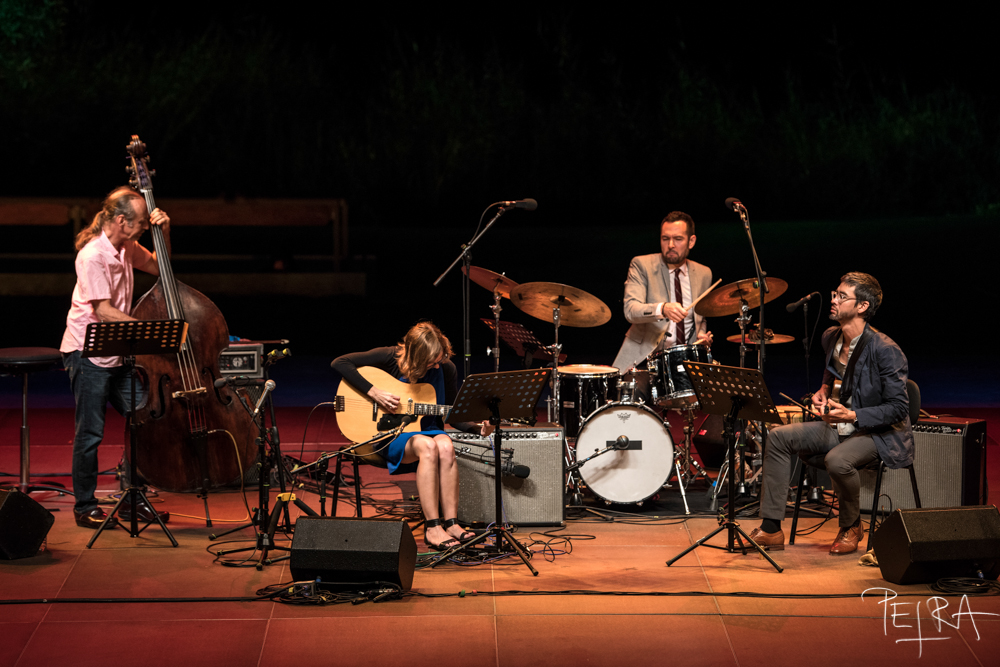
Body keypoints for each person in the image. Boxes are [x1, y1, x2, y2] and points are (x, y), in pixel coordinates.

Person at [749, 272, 914, 555]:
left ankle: (851, 525)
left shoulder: (886, 350)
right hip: (842, 427)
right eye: (834, 294)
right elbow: (834, 369)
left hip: (879, 433)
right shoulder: (831, 337)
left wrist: (852, 416)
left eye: (841, 296)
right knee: (777, 437)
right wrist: (824, 388)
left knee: (836, 460)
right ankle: (772, 529)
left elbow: (899, 408)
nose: (833, 300)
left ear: (862, 306)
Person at [60, 186, 172, 528]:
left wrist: (164, 233)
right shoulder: (92, 255)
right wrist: (149, 332)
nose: (144, 228)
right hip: (87, 350)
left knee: (141, 418)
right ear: (121, 220)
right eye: (141, 223)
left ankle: (130, 499)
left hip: (118, 349)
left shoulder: (126, 247)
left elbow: (159, 267)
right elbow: (104, 311)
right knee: (90, 431)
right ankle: (84, 506)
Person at [332, 322, 492, 551]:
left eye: (440, 358)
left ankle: (452, 524)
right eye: (432, 361)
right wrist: (374, 392)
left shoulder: (446, 369)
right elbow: (340, 362)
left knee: (445, 445)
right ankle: (432, 527)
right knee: (428, 446)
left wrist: (479, 429)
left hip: (428, 430)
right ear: (417, 356)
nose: (437, 365)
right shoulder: (390, 357)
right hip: (391, 433)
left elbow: (454, 416)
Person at [612, 211, 713, 401]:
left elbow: (701, 316)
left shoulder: (704, 273)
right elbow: (630, 310)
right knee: (631, 395)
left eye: (678, 239)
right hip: (645, 362)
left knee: (725, 395)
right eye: (665, 239)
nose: (671, 245)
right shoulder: (641, 264)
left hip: (686, 362)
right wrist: (662, 309)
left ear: (691, 241)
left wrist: (701, 334)